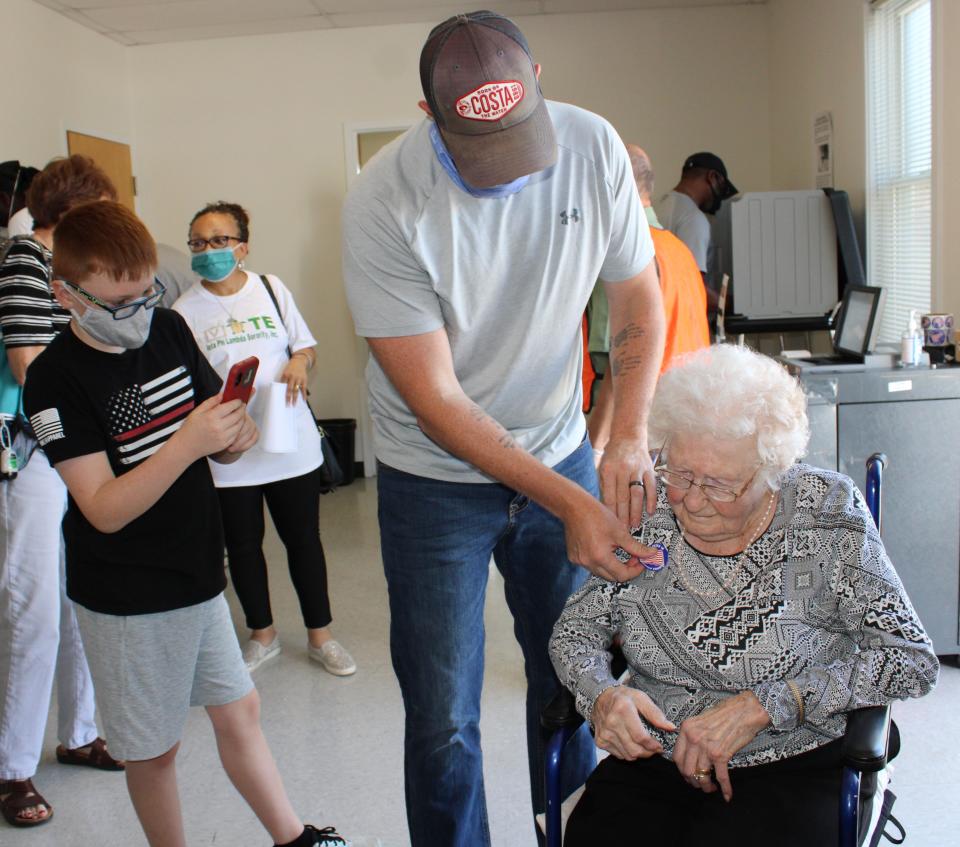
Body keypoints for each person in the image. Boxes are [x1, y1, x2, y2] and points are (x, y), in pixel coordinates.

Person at [341, 11, 665, 846]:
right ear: (428, 114)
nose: (507, 176)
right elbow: (439, 404)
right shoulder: (383, 201)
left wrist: (624, 435)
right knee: (444, 712)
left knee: (578, 674)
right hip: (433, 481)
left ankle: (576, 832)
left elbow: (634, 294)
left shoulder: (592, 147)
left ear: (540, 82)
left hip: (557, 441)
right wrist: (573, 499)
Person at [22, 200, 348, 847]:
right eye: (118, 304)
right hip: (126, 596)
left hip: (198, 571)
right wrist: (191, 442)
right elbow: (101, 506)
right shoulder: (53, 380)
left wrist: (231, 434)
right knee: (154, 750)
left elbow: (215, 436)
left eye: (146, 295)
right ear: (67, 295)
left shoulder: (168, 329)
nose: (136, 315)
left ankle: (293, 838)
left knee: (241, 709)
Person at [550, 343, 939, 846]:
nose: (690, 499)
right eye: (680, 472)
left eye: (719, 485)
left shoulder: (825, 514)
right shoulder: (647, 508)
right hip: (657, 759)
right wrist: (602, 695)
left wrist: (766, 704)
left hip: (793, 758)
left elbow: (910, 659)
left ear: (771, 470)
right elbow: (576, 630)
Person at [174, 201, 355, 676]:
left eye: (218, 240)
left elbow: (306, 346)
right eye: (198, 242)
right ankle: (263, 634)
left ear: (243, 247)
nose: (207, 250)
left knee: (303, 540)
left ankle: (321, 636)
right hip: (229, 449)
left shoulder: (271, 290)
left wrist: (300, 362)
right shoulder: (182, 312)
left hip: (287, 440)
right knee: (244, 545)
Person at [0, 155, 123, 829]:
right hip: (33, 458)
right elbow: (31, 368)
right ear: (72, 210)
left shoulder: (66, 271)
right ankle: (12, 768)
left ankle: (78, 733)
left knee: (80, 600)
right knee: (34, 610)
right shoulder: (24, 261)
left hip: (74, 453)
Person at [588, 144, 710, 462]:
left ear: (611, 186)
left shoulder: (623, 258)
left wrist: (595, 451)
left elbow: (620, 366)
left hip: (633, 436)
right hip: (682, 430)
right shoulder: (678, 250)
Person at [654, 152, 738, 316]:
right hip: (683, 321)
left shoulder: (658, 206)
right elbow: (692, 285)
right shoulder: (693, 218)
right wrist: (731, 304)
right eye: (722, 188)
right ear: (712, 177)